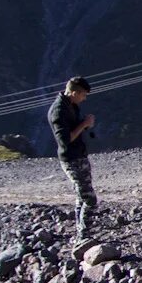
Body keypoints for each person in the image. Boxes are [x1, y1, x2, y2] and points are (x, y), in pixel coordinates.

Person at [47, 77, 98, 238]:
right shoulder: (59, 111)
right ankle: (84, 235)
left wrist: (84, 123)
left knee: (81, 197)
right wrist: (83, 124)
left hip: (79, 155)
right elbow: (65, 140)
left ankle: (81, 231)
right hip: (71, 159)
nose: (84, 99)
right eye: (83, 95)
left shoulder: (71, 106)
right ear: (75, 92)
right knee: (90, 199)